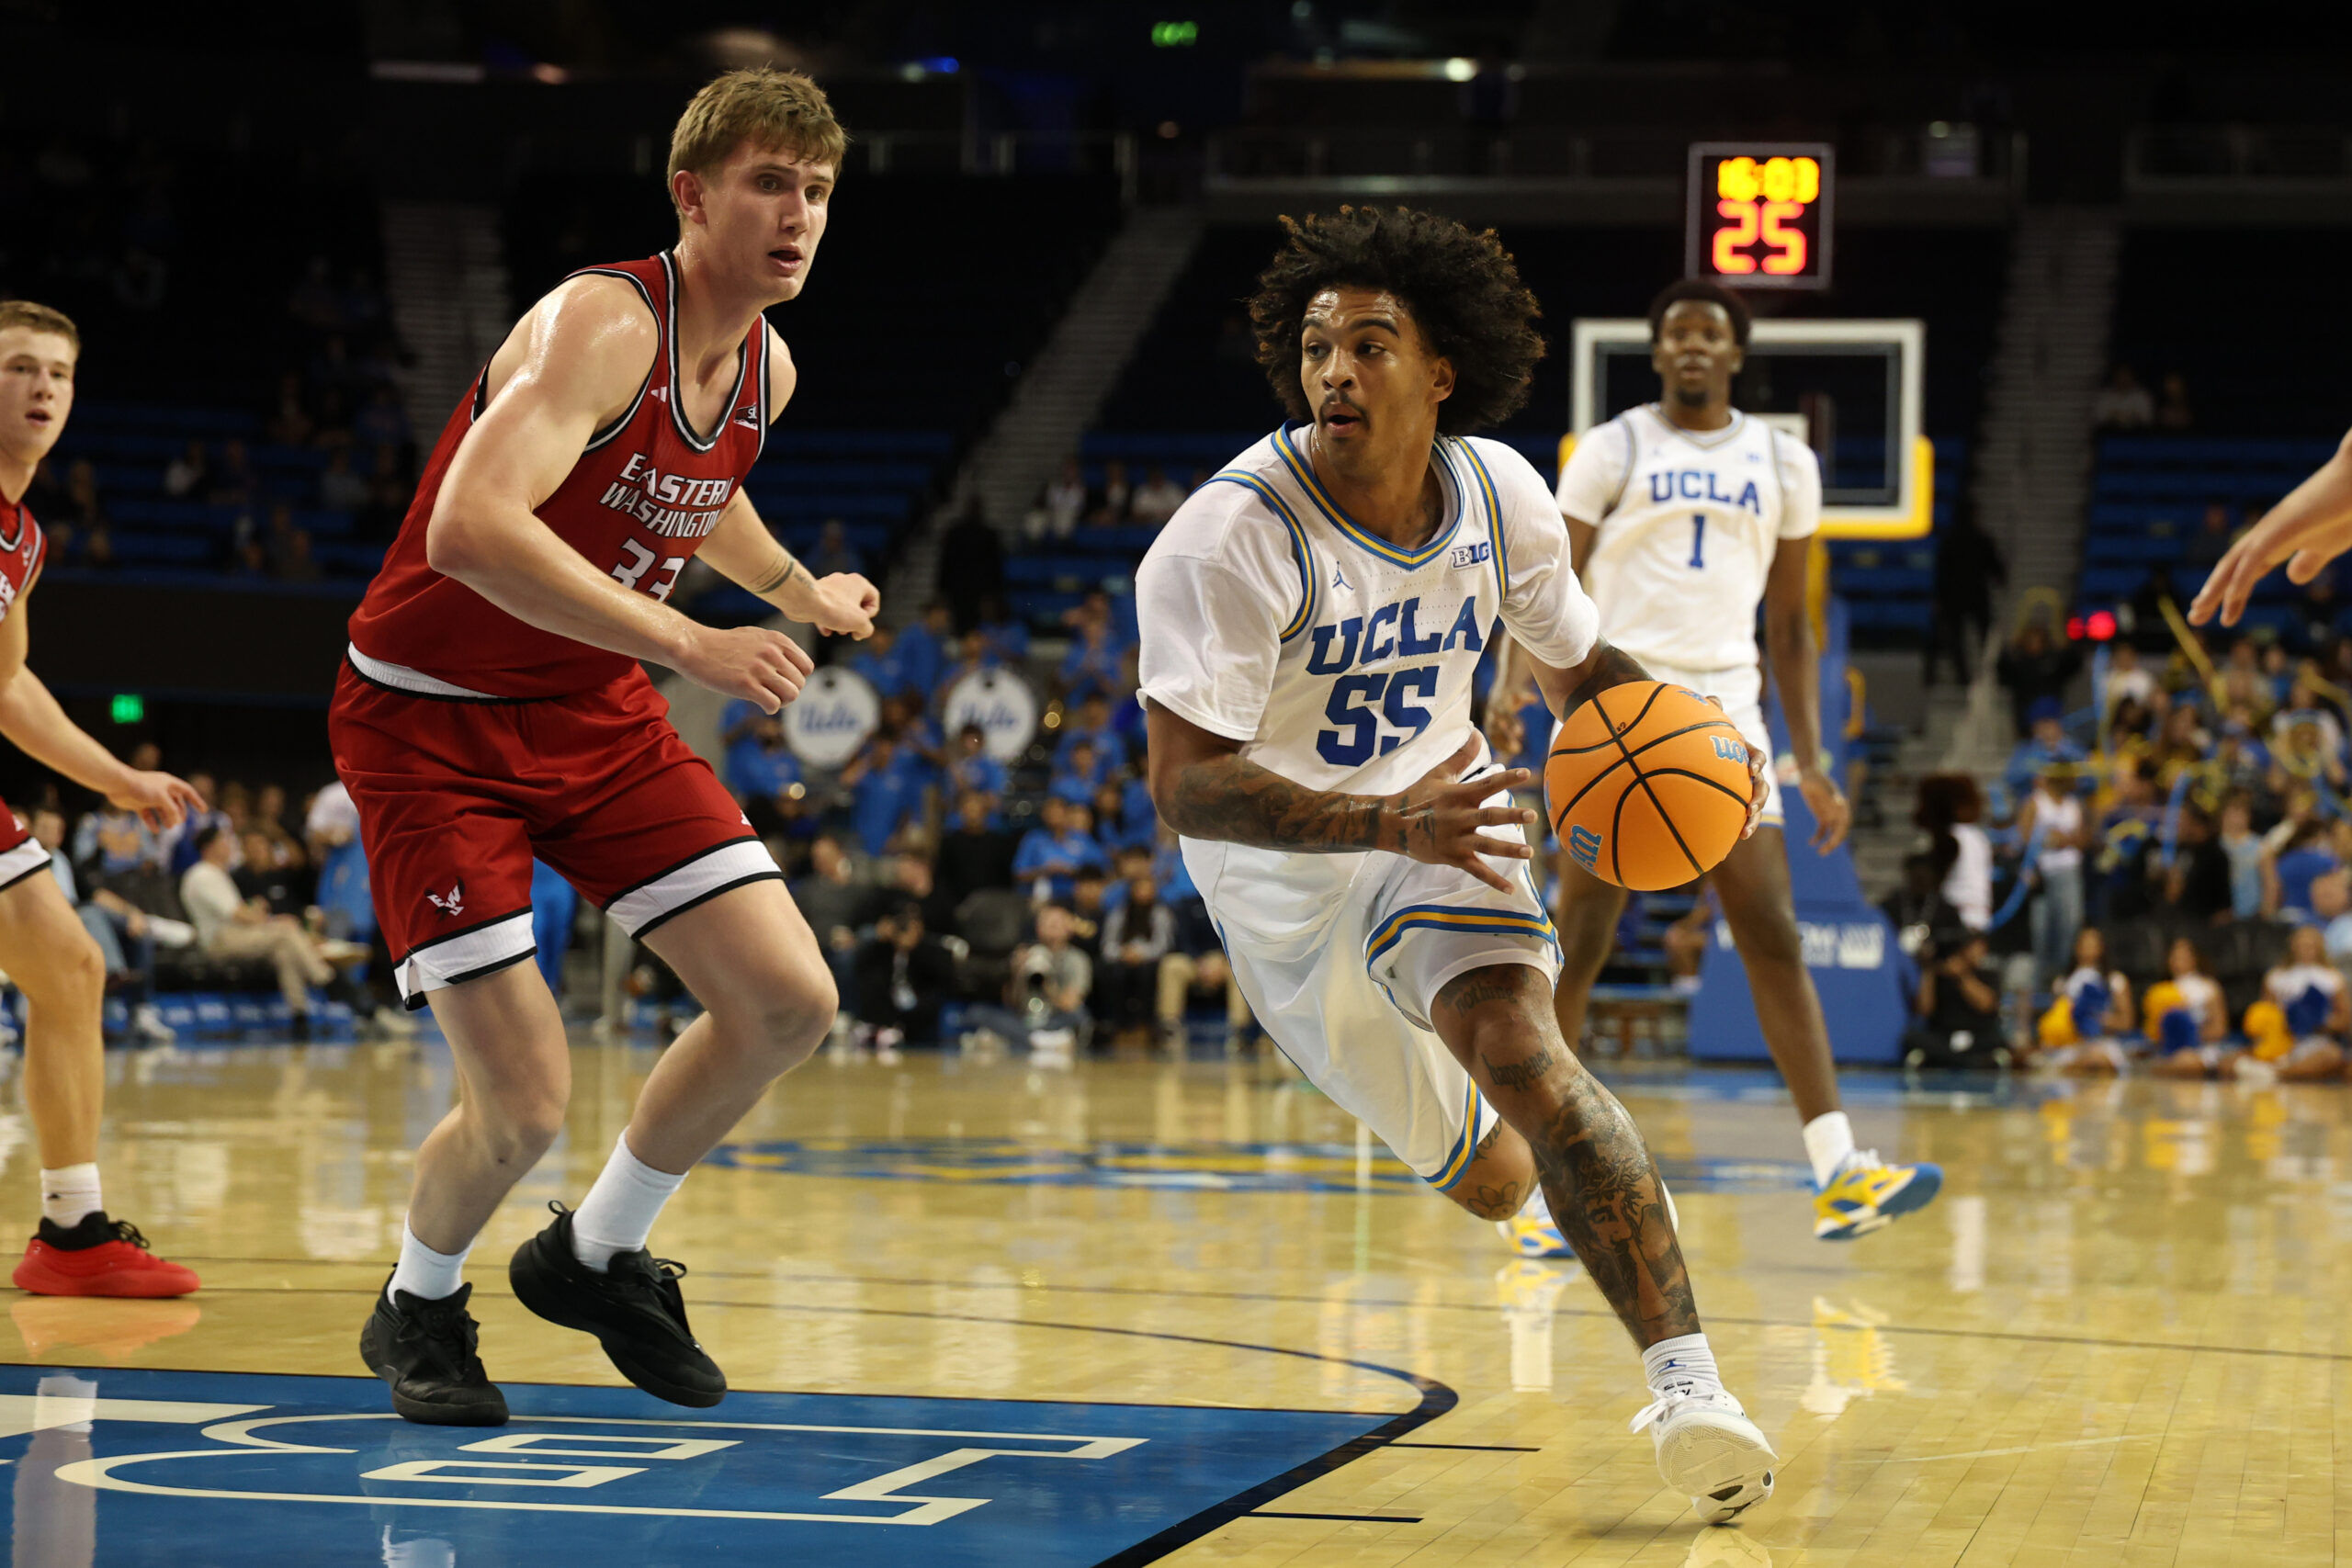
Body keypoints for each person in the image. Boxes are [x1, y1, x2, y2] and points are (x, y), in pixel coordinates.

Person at [1136, 208, 1775, 1517]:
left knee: (1522, 1049)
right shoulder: (1227, 536)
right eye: (1317, 345)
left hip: (1448, 815)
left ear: (1442, 370)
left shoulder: (1502, 492)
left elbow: (1583, 669)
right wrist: (1376, 826)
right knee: (1493, 1179)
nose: (1335, 371)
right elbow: (1184, 785)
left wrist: (1704, 742)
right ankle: (1549, 1198)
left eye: (1371, 344)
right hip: (1278, 879)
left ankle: (1692, 1385)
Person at [328, 70, 881, 1427]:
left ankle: (594, 1253)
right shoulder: (600, 320)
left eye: (815, 189)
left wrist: (796, 586)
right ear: (691, 195)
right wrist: (692, 643)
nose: (796, 212)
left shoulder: (770, 364)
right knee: (520, 1102)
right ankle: (418, 1301)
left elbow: (702, 492)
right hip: (429, 716)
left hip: (590, 713)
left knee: (787, 999)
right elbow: (468, 525)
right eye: (768, 182)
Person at [1500, 277, 1939, 1247]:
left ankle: (1838, 1174)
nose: (1692, 347)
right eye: (1675, 334)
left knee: (1771, 931)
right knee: (1581, 934)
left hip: (1725, 720)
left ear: (1735, 354)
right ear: (1656, 351)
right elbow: (1544, 584)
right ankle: (1539, 1182)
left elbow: (1790, 622)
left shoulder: (1784, 459)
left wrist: (1809, 759)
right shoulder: (1611, 448)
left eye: (1709, 334)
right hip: (1617, 700)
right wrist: (1509, 687)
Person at [0, 298, 205, 1297]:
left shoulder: (22, 536)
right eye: (18, 368)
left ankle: (71, 1234)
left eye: (59, 374)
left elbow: (7, 685)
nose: (43, 389)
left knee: (71, 967)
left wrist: (116, 779)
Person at [28, 807, 175, 1045]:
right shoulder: (22, 862)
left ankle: (141, 1011)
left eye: (55, 829)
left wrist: (131, 913)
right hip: (47, 922)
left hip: (77, 918)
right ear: (31, 830)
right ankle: (114, 972)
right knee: (92, 914)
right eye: (43, 828)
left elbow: (95, 894)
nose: (50, 834)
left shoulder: (64, 861)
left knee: (137, 931)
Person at [2231, 924, 2347, 1084]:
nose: (2305, 949)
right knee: (2229, 1061)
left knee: (2333, 1056)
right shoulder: (2276, 976)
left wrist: (2318, 1022)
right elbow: (2265, 1012)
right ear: (2292, 946)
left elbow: (2345, 1020)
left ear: (2320, 947)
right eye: (2301, 945)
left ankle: (2278, 1073)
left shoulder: (2332, 977)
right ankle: (2277, 1067)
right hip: (2280, 1038)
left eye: (2310, 945)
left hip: (2315, 1040)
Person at [2026, 926, 2133, 1075]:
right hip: (2070, 1046)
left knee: (2096, 1062)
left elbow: (2126, 1023)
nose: (2088, 949)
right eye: (2084, 944)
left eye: (2092, 944)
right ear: (2076, 948)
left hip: (2102, 1044)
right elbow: (2057, 1020)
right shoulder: (2062, 983)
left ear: (2102, 948)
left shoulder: (2115, 981)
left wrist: (2096, 1019)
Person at [2018, 765, 2087, 985]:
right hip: (2043, 873)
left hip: (2068, 872)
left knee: (2070, 924)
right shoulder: (2036, 803)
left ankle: (2060, 975)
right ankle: (2040, 981)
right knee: (2041, 930)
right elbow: (2024, 836)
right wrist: (2054, 839)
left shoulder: (2073, 805)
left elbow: (2082, 839)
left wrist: (2059, 839)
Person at [1901, 923, 2004, 1071]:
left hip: (1978, 1036)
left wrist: (1962, 976)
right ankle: (1967, 1062)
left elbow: (1986, 1005)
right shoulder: (1936, 975)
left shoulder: (1988, 974)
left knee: (1996, 1041)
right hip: (1944, 1036)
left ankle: (1959, 1061)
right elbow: (1924, 1010)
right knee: (1912, 1038)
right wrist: (1929, 968)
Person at [2147, 937, 2230, 1077]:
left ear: (2195, 959)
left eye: (2184, 956)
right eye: (2175, 956)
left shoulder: (2208, 987)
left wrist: (2189, 1034)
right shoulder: (2159, 991)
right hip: (2167, 1050)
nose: (2178, 961)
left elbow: (2219, 1029)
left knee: (2186, 1062)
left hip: (2200, 1048)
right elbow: (2153, 1030)